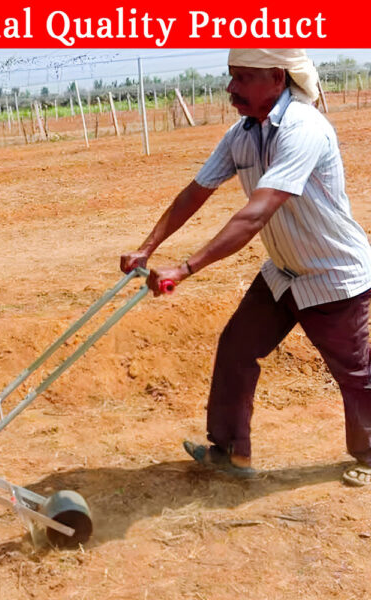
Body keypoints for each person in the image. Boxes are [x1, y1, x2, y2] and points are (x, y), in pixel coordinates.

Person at [120, 49, 371, 486]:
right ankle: (230, 452)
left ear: (277, 78)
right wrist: (147, 248)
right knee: (237, 347)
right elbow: (196, 191)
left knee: (355, 373)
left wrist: (184, 268)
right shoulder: (243, 134)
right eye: (231, 76)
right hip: (285, 271)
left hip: (333, 274)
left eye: (242, 78)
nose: (230, 88)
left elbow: (255, 216)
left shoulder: (303, 129)